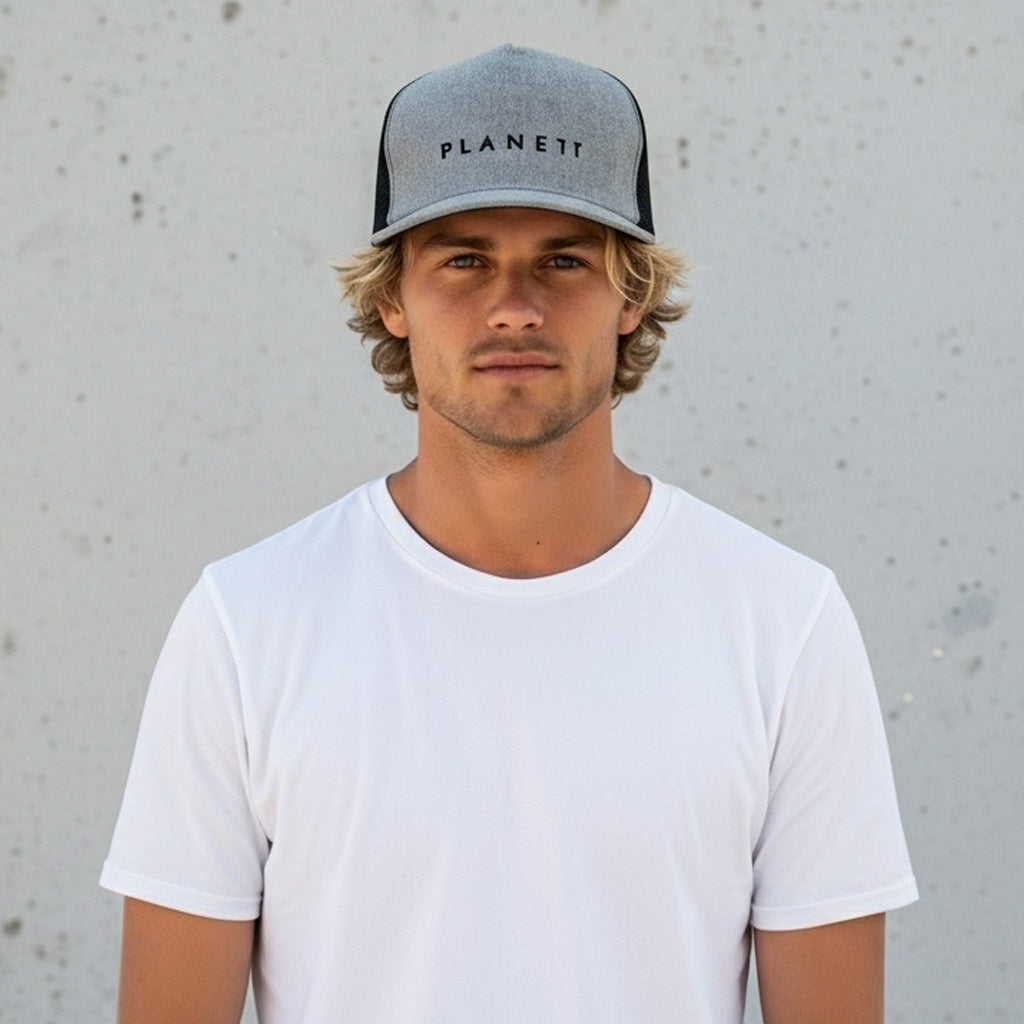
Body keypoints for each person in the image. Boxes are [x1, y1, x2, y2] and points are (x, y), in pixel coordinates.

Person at [101, 44, 917, 1024]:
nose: (514, 307)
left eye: (564, 260)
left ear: (632, 295)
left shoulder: (782, 622)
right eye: (463, 259)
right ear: (391, 297)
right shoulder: (245, 624)